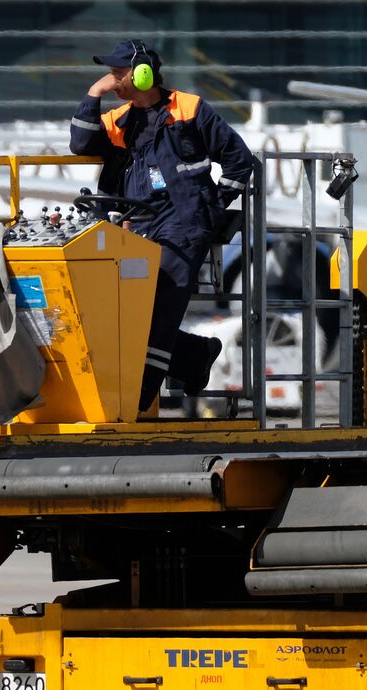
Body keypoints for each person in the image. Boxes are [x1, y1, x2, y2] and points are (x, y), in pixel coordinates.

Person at [70, 39, 253, 412]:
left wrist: (212, 207)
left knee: (160, 304)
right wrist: (94, 94)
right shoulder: (119, 121)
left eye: (119, 72)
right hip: (137, 224)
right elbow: (80, 143)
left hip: (185, 223)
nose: (113, 78)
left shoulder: (190, 109)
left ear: (143, 73)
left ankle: (139, 398)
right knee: (119, 309)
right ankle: (195, 354)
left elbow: (239, 162)